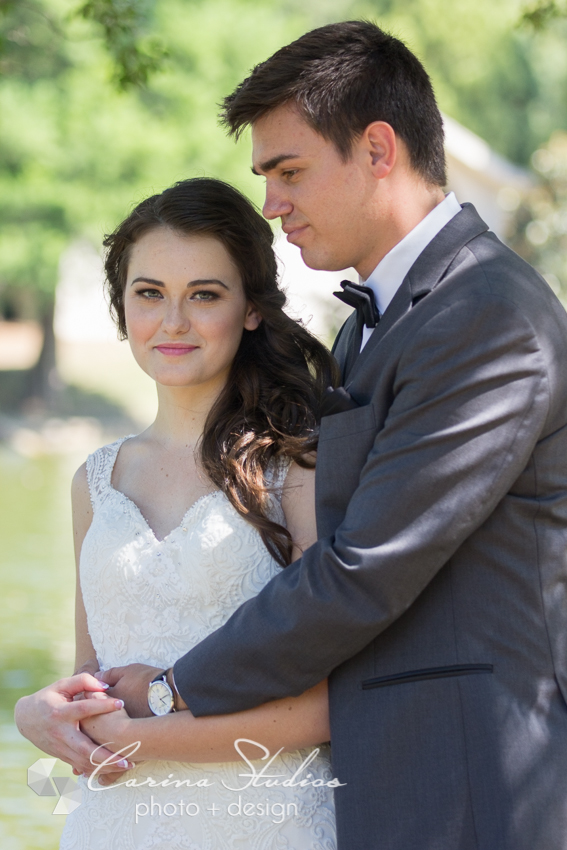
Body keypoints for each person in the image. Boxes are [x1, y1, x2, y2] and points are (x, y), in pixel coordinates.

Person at [83, 20, 567, 850]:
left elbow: (364, 568)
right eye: (265, 177)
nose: (272, 204)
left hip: (470, 778)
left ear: (378, 150)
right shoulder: (370, 327)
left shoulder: (488, 315)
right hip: (378, 780)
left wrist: (168, 693)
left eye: (289, 171)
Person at [15, 176, 339, 849]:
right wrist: (37, 713)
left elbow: (321, 708)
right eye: (150, 294)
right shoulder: (95, 480)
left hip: (264, 822)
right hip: (115, 823)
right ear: (122, 307)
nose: (173, 322)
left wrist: (141, 736)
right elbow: (92, 677)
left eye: (204, 295)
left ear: (251, 309)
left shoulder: (296, 467)